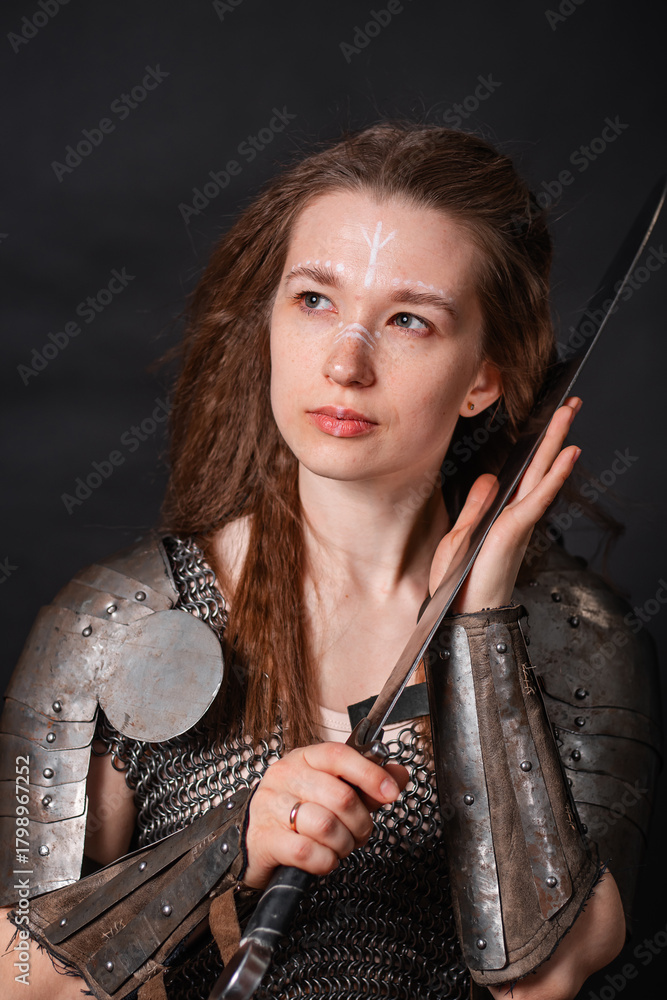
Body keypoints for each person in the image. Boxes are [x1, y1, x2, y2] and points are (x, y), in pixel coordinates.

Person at [0, 123, 659, 1000]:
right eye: (313, 301)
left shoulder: (569, 635)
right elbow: (11, 974)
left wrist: (481, 631)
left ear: (482, 378)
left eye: (409, 320)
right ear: (271, 319)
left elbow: (542, 977)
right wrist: (227, 851)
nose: (345, 364)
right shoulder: (117, 619)